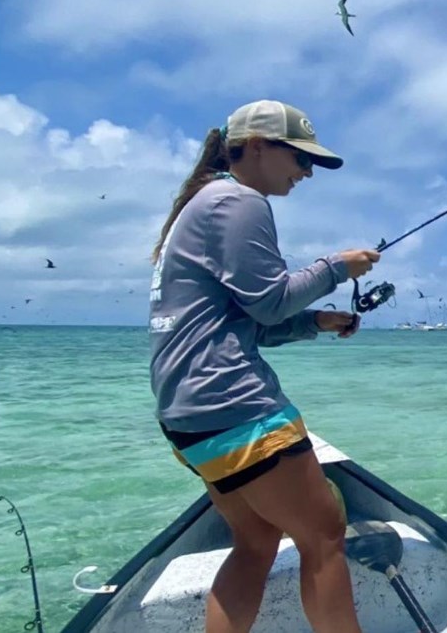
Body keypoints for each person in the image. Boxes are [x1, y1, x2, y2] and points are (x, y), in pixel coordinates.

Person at [148, 99, 379, 633]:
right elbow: (272, 300)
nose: (306, 173)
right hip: (234, 403)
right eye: (300, 159)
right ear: (256, 147)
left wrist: (315, 322)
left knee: (256, 541)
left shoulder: (203, 204)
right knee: (323, 533)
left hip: (188, 413)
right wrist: (336, 268)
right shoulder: (237, 201)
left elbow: (254, 320)